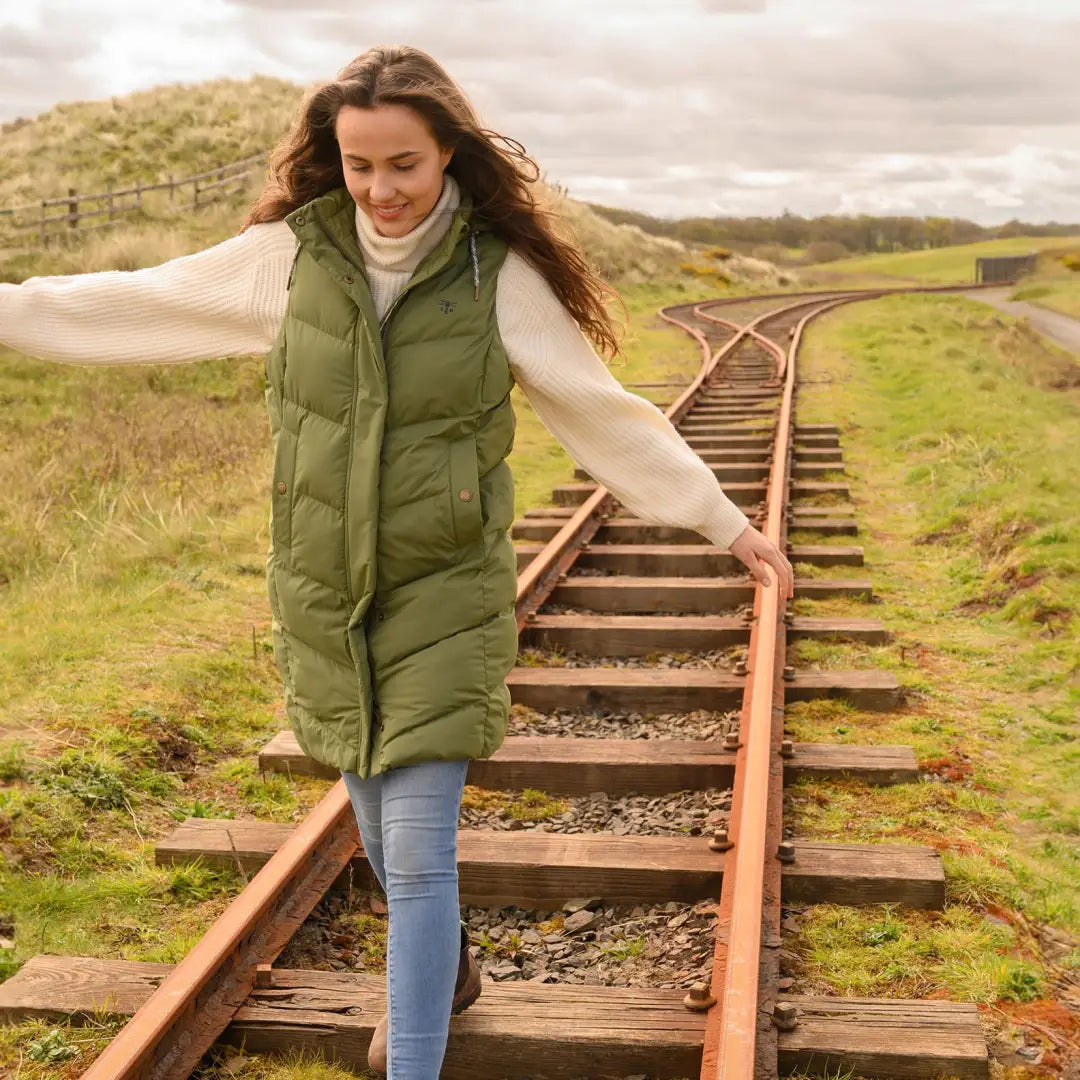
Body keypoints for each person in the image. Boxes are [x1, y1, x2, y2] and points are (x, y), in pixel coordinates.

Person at [0, 45, 794, 1078]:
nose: (382, 189)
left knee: (416, 860)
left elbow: (602, 413)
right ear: (335, 158)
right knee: (379, 836)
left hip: (444, 600)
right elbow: (127, 301)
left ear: (449, 153)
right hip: (328, 601)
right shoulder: (290, 259)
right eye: (361, 164)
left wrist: (723, 521)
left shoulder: (492, 275)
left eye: (404, 165)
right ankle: (453, 971)